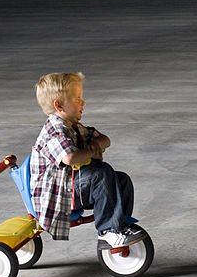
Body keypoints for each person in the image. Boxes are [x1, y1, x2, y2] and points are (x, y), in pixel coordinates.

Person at [30, 72, 145, 249]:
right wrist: (91, 152)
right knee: (101, 172)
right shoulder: (54, 130)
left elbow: (105, 139)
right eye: (77, 99)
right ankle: (109, 231)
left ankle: (121, 223)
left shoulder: (74, 127)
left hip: (73, 186)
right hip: (60, 194)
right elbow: (69, 157)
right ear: (59, 105)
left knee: (121, 179)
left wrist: (96, 143)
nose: (83, 103)